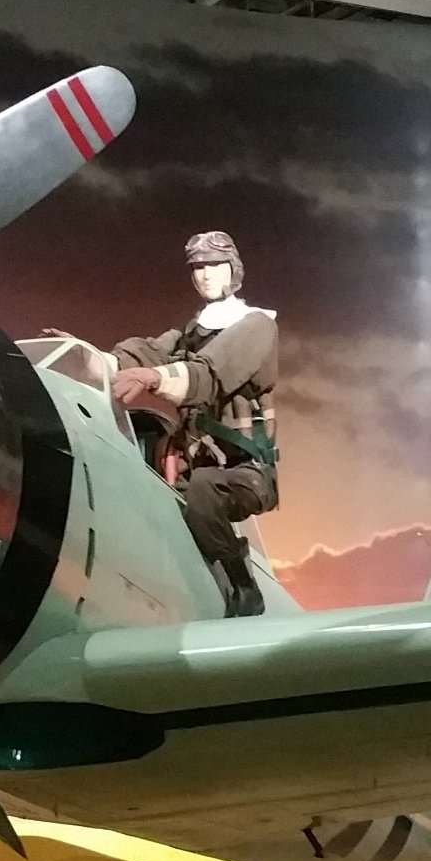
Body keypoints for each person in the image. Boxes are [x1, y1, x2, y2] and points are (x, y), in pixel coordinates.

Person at [109, 230, 278, 617]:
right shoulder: (192, 331)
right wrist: (95, 358)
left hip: (245, 471)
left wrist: (155, 378)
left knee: (203, 492)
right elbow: (148, 351)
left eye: (214, 265)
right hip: (195, 467)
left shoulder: (256, 327)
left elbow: (210, 374)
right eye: (197, 267)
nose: (204, 274)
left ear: (233, 270)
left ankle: (243, 584)